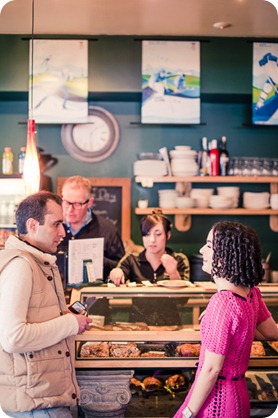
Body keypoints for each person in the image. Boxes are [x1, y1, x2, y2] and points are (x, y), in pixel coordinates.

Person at [0, 191, 92, 417]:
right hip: (37, 404)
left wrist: (65, 317)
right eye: (56, 224)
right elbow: (14, 337)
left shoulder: (37, 261)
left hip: (43, 397)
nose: (63, 232)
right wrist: (70, 323)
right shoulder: (21, 266)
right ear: (32, 225)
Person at [174, 221, 278, 418]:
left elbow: (211, 369)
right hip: (238, 398)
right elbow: (272, 332)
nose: (201, 250)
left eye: (209, 245)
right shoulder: (251, 293)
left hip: (216, 403)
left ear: (227, 254)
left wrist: (188, 413)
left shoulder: (222, 302)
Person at [109, 211, 190, 325]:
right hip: (138, 326)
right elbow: (114, 279)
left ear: (168, 235)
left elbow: (182, 301)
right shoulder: (131, 260)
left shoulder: (179, 260)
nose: (152, 240)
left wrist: (173, 273)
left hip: (171, 327)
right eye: (147, 234)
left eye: (158, 234)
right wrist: (116, 272)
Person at [57, 176, 125, 281]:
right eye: (66, 202)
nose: (70, 210)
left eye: (77, 204)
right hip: (57, 294)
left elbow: (122, 266)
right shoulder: (54, 227)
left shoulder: (108, 230)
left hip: (95, 294)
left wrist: (98, 261)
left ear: (89, 203)